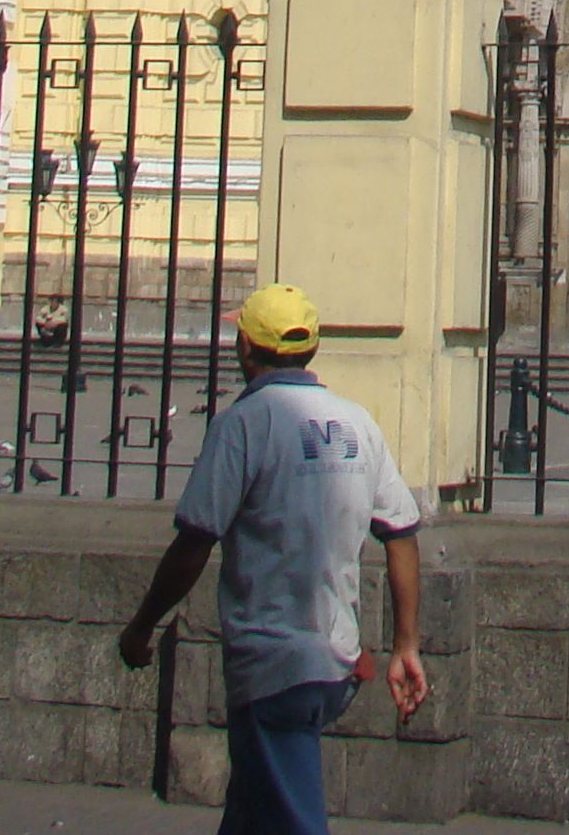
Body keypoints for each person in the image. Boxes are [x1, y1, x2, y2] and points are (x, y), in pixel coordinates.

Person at [118, 286, 424, 835]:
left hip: (275, 663)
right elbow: (400, 532)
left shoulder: (244, 424)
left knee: (291, 817)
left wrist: (142, 626)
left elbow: (194, 542)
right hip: (334, 656)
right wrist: (406, 645)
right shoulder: (358, 423)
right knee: (253, 810)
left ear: (245, 345)